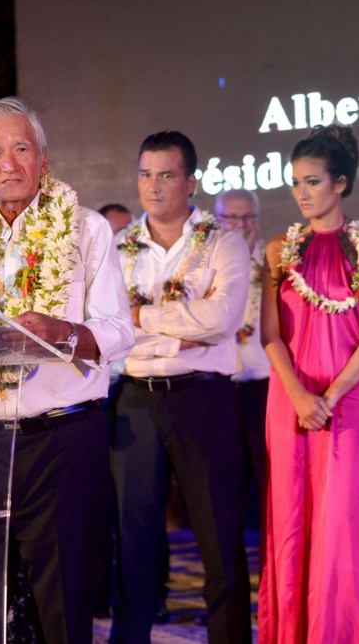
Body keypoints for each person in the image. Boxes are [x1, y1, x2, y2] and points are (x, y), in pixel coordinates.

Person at [0, 96, 134, 643]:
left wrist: (63, 333)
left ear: (45, 158)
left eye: (22, 148)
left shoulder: (86, 229)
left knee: (63, 602)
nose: (9, 163)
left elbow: (119, 330)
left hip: (61, 437)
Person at [109, 131, 252, 643]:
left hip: (203, 399)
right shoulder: (116, 248)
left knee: (219, 537)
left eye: (166, 175)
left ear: (191, 182)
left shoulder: (224, 241)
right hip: (135, 403)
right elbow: (106, 328)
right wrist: (176, 338)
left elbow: (222, 318)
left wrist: (141, 320)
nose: (153, 186)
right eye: (145, 174)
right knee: (135, 539)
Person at [258, 124, 359, 643]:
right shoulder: (279, 248)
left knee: (344, 522)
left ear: (340, 184)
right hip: (289, 398)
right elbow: (271, 335)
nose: (301, 192)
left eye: (312, 181)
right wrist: (300, 397)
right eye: (295, 181)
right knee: (292, 519)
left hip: (350, 399)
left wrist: (329, 398)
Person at [214, 188, 269, 529]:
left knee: (270, 482)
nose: (241, 224)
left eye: (248, 216)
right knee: (224, 485)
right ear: (217, 221)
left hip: (267, 386)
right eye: (231, 217)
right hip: (221, 386)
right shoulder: (208, 264)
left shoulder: (274, 263)